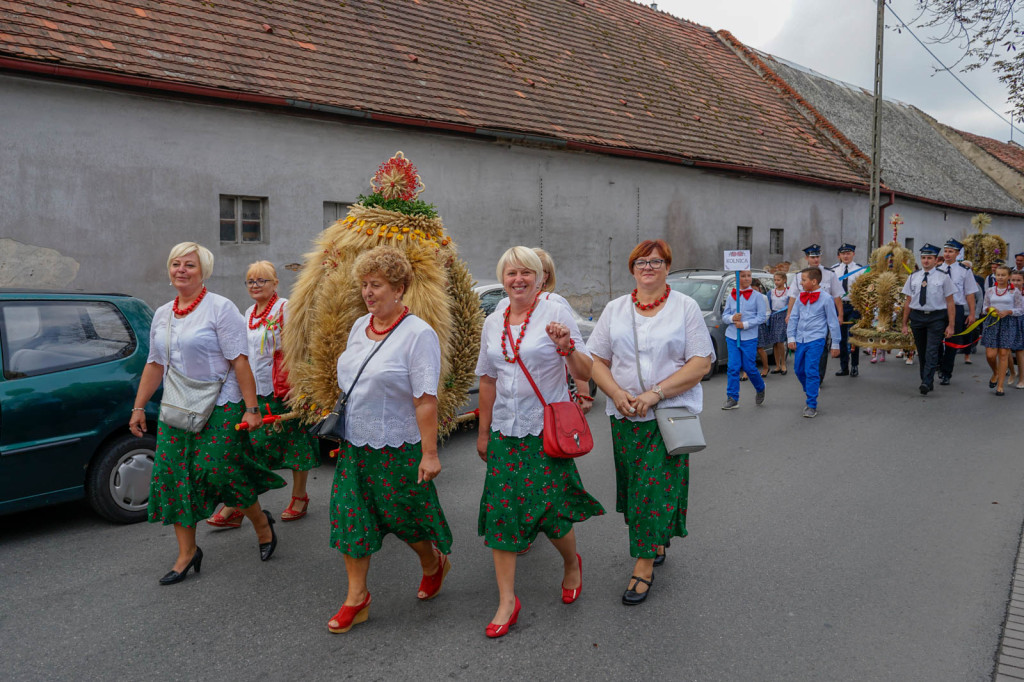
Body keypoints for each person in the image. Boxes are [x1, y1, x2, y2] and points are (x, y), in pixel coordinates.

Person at [129, 242, 284, 585]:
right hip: (178, 406)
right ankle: (187, 553)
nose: (181, 270)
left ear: (204, 272)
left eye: (190, 265)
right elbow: (155, 364)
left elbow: (239, 360)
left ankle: (260, 523)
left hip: (221, 403)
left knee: (221, 469)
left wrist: (252, 408)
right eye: (176, 264)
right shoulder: (163, 314)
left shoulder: (220, 308)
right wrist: (139, 406)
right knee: (173, 474)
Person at [476, 246, 603, 637]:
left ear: (540, 277)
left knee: (551, 513)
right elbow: (487, 378)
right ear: (503, 279)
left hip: (542, 432)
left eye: (526, 273)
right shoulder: (493, 321)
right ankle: (507, 601)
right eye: (511, 274)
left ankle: (570, 564)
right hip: (504, 432)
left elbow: (585, 368)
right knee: (502, 514)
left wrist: (566, 347)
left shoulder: (555, 312)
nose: (518, 280)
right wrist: (483, 432)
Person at [326, 246, 453, 633]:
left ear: (399, 288)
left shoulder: (418, 335)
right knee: (352, 516)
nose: (368, 292)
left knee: (405, 519)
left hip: (398, 445)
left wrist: (429, 453)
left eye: (376, 285)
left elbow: (425, 399)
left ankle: (432, 562)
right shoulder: (358, 327)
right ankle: (356, 598)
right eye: (364, 284)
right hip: (356, 445)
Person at [589, 239, 714, 605]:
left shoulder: (685, 308)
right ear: (632, 268)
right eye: (642, 262)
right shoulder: (615, 309)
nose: (649, 267)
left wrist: (656, 393)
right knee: (635, 488)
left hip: (668, 415)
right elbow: (597, 359)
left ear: (667, 267)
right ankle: (656, 535)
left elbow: (700, 363)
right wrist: (615, 393)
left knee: (652, 489)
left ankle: (642, 567)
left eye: (657, 262)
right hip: (626, 415)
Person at [207, 262, 320, 529]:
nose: (256, 286)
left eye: (262, 281)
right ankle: (239, 502)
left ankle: (299, 496)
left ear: (275, 283)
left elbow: (300, 346)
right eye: (250, 281)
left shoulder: (285, 308)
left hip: (283, 389)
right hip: (255, 391)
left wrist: (300, 386)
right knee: (249, 447)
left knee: (295, 444)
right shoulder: (247, 313)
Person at [496, 248, 592, 414]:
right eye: (514, 271)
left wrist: (583, 392)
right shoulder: (504, 305)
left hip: (548, 407)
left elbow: (573, 345)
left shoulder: (554, 304)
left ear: (544, 275)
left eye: (528, 270)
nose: (520, 278)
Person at [901, 244, 956, 395]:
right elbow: (908, 301)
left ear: (935, 259)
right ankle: (926, 380)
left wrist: (951, 325)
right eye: (923, 258)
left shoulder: (943, 277)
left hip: (936, 317)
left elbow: (950, 302)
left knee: (932, 350)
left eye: (929, 258)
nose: (926, 261)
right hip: (917, 317)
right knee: (922, 350)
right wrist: (904, 323)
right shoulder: (913, 276)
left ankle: (926, 381)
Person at [787, 267, 840, 418]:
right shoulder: (800, 297)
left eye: (804, 280)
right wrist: (791, 337)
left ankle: (811, 404)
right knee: (798, 370)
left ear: (814, 281)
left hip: (816, 339)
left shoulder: (826, 298)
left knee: (811, 370)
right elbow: (794, 318)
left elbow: (833, 322)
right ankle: (812, 388)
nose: (801, 283)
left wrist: (835, 344)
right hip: (800, 338)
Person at [786, 244, 843, 382]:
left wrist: (839, 315)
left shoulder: (830, 274)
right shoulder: (799, 276)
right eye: (813, 257)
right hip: (803, 316)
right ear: (807, 258)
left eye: (817, 256)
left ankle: (818, 376)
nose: (816, 260)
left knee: (821, 347)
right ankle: (810, 375)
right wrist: (789, 314)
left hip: (823, 316)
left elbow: (836, 296)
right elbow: (793, 296)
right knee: (802, 357)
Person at [935, 239, 979, 386]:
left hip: (957, 308)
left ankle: (947, 372)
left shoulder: (964, 271)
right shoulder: (937, 269)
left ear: (957, 253)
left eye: (951, 251)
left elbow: (970, 294)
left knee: (951, 342)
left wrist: (972, 314)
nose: (947, 254)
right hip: (939, 308)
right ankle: (940, 363)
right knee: (936, 340)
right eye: (946, 251)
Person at [721, 270, 766, 409]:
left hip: (749, 337)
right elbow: (725, 315)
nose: (747, 279)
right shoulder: (731, 296)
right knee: (733, 367)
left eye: (749, 276)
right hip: (732, 336)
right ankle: (732, 397)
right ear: (737, 278)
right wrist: (731, 318)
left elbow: (761, 317)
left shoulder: (758, 296)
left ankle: (760, 387)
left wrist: (745, 324)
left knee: (749, 367)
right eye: (743, 276)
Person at [981, 265, 1023, 396]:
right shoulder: (990, 291)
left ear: (1009, 277)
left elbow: (1020, 309)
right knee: (990, 355)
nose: (1000, 277)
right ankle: (995, 372)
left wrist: (1009, 311)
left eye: (1003, 275)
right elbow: (984, 307)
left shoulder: (1014, 292)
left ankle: (1000, 386)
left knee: (1004, 353)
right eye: (998, 275)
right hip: (992, 323)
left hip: (1008, 323)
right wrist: (989, 310)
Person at [831, 244, 864, 377]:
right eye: (843, 253)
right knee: (840, 337)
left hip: (854, 306)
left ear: (853, 254)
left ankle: (854, 365)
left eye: (848, 253)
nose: (846, 256)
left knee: (853, 337)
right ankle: (844, 366)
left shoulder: (860, 270)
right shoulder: (833, 270)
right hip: (838, 306)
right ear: (839, 255)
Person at [961, 260, 985, 364]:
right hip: (957, 312)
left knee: (969, 334)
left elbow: (980, 299)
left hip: (969, 313)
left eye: (967, 268)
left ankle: (967, 355)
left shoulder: (975, 284)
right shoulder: (956, 280)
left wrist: (975, 314)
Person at [766, 272, 790, 375]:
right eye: (775, 280)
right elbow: (768, 306)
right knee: (775, 342)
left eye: (778, 280)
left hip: (783, 317)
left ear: (784, 280)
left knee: (780, 340)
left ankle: (783, 364)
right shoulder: (771, 292)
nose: (776, 282)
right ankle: (777, 366)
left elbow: (790, 305)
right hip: (773, 317)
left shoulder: (788, 292)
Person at [752, 278, 771, 377]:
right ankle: (747, 371)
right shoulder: (745, 297)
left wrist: (762, 320)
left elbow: (768, 311)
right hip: (749, 325)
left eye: (754, 289)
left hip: (759, 325)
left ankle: (765, 367)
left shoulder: (763, 297)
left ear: (758, 289)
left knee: (759, 348)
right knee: (749, 348)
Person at [1010, 270, 1024, 389]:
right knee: (1007, 349)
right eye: (1013, 280)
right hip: (1010, 321)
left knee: (1020, 350)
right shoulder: (1008, 292)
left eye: (1018, 280)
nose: (1016, 282)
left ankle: (1022, 378)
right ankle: (1013, 372)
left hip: (1022, 321)